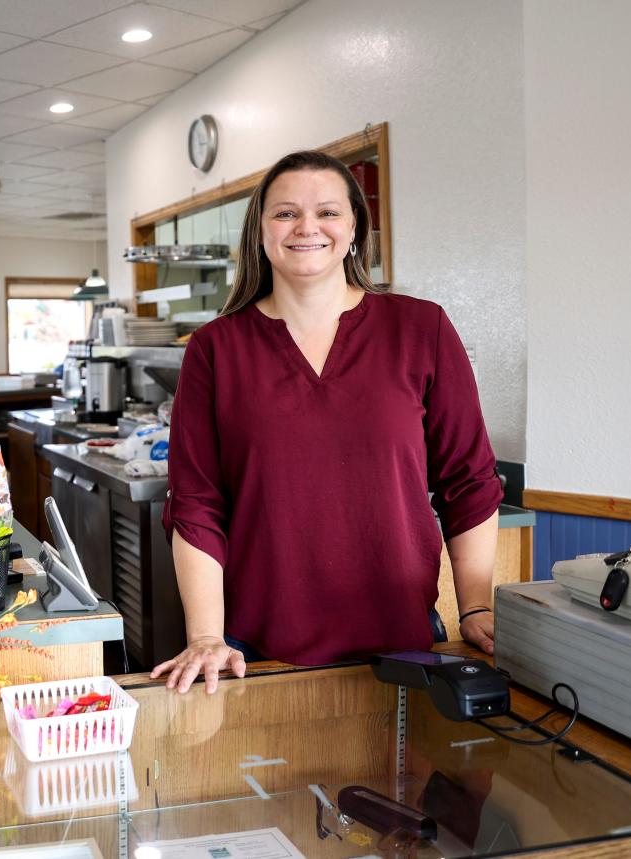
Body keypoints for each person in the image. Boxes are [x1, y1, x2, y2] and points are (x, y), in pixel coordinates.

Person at [151, 150, 503, 695]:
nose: (307, 227)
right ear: (261, 232)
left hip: (402, 641)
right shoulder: (215, 348)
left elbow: (470, 480)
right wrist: (204, 636)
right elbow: (196, 502)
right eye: (285, 213)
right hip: (255, 650)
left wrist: (476, 604)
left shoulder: (421, 328)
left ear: (356, 227)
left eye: (329, 212)